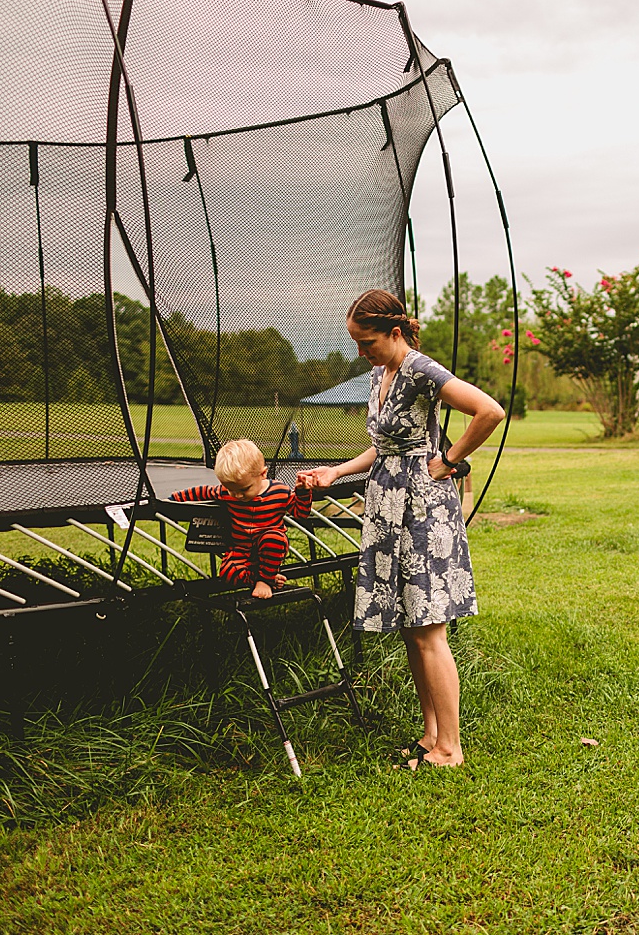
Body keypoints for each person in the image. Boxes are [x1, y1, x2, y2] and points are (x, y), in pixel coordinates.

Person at [298, 289, 504, 771]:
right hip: (388, 505)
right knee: (413, 628)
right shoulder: (379, 373)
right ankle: (431, 735)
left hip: (423, 509)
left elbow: (489, 411)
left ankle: (450, 748)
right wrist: (337, 472)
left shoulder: (421, 369)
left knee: (430, 629)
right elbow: (386, 446)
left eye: (367, 341)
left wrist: (449, 461)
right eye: (355, 342)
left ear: (395, 333)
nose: (360, 351)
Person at [169, 438, 313, 600]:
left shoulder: (279, 491)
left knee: (274, 538)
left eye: (244, 489)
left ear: (263, 474)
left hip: (267, 547)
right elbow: (201, 492)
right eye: (231, 489)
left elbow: (301, 513)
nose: (237, 495)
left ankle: (264, 581)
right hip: (241, 550)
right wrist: (171, 500)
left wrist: (302, 492)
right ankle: (264, 578)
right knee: (227, 572)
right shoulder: (226, 491)